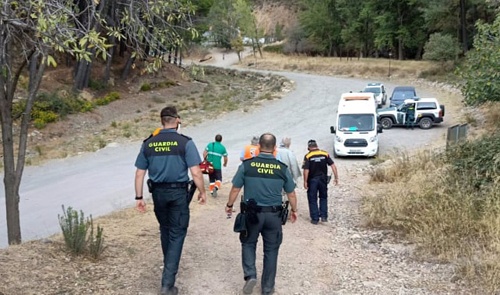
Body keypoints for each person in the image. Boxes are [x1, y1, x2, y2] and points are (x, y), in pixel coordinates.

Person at [134, 105, 207, 295]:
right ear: (177, 120)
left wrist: (139, 197)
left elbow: (139, 174)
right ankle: (167, 284)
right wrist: (202, 192)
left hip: (158, 194)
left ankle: (169, 268)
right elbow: (196, 172)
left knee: (165, 230)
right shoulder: (185, 143)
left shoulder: (149, 143)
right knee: (177, 233)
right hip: (178, 194)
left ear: (161, 121)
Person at [226, 133, 298, 295]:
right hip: (274, 215)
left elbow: (236, 189)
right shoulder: (281, 168)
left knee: (248, 243)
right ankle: (267, 287)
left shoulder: (247, 166)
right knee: (271, 250)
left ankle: (250, 275)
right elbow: (291, 193)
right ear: (274, 149)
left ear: (258, 148)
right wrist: (294, 210)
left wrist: (229, 205)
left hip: (252, 214)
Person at [302, 139, 338, 225]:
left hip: (312, 180)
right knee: (323, 197)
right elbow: (333, 165)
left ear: (309, 148)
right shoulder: (325, 154)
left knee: (312, 198)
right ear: (317, 146)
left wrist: (305, 181)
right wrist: (336, 177)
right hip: (323, 179)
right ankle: (324, 216)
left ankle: (315, 219)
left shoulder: (308, 156)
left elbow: (306, 170)